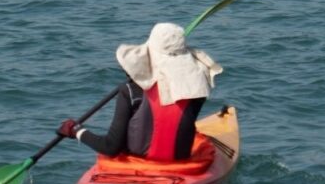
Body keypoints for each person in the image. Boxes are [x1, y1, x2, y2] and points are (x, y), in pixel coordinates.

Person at [62, 21, 221, 162]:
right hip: (180, 160)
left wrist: (76, 131)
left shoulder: (130, 90)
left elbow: (111, 148)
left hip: (139, 160)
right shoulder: (197, 87)